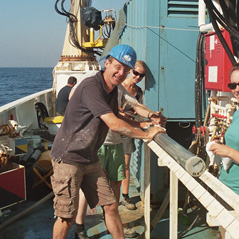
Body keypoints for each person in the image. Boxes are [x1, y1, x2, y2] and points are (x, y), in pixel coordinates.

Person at [50, 44, 165, 239]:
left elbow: (116, 114)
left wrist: (144, 124)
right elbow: (113, 124)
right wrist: (147, 135)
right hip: (69, 157)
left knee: (111, 205)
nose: (121, 73)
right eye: (117, 67)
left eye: (126, 70)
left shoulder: (112, 90)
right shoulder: (91, 87)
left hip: (89, 157)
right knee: (66, 217)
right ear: (107, 63)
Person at [119, 60, 165, 210]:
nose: (138, 77)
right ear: (129, 71)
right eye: (136, 73)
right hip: (112, 128)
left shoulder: (138, 91)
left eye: (142, 75)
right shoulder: (117, 86)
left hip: (128, 129)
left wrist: (152, 115)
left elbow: (139, 107)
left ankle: (124, 196)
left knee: (125, 164)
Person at [209, 63, 239, 239]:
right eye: (232, 85)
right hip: (226, 187)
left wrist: (227, 152)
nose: (236, 89)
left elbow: (231, 151)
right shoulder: (237, 112)